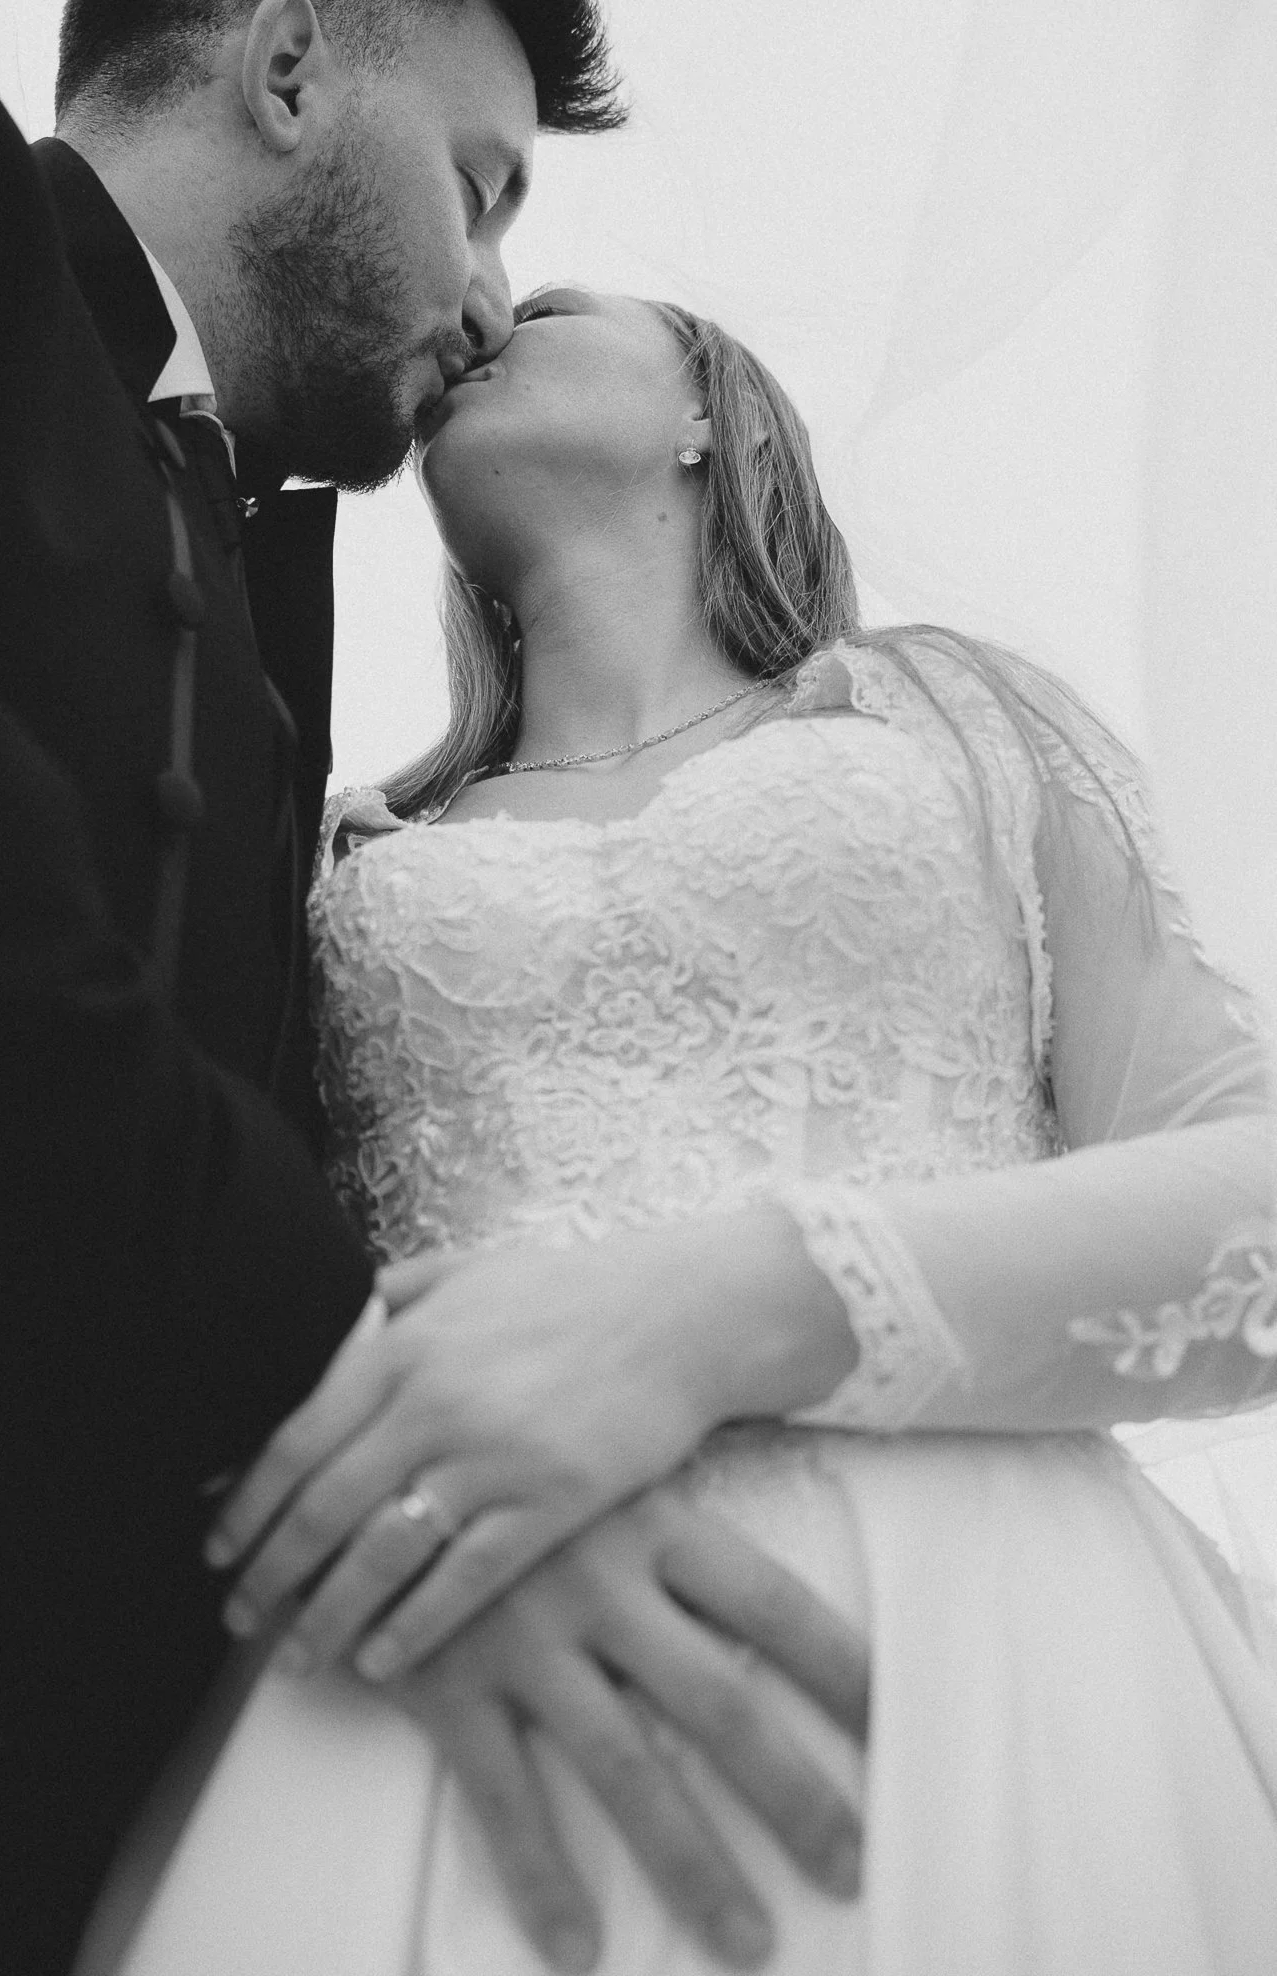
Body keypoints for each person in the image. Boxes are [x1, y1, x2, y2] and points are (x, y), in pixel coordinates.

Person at [0, 0, 870, 1971]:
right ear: (285, 72)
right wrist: (364, 1405)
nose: (494, 295)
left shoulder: (286, 621)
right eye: (485, 183)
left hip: (114, 1798)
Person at [97, 288, 1277, 1975]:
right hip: (467, 1658)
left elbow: (1255, 1213)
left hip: (976, 1637)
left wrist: (751, 1298)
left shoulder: (953, 723)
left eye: (561, 305)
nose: (489, 301)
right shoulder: (345, 843)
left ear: (708, 414)